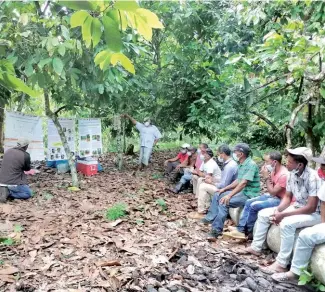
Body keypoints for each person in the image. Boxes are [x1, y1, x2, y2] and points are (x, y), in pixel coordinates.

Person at [241, 147, 322, 275]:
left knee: (287, 223)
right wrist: (278, 211)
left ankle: (281, 263)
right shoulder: (292, 175)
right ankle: (256, 247)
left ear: (300, 164)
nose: (286, 164)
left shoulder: (313, 177)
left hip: (314, 213)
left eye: (289, 162)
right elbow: (288, 197)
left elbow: (311, 207)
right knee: (263, 214)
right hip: (297, 206)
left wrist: (283, 215)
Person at [224, 151, 288, 239]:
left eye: (267, 162)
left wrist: (266, 177)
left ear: (275, 162)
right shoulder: (274, 171)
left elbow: (273, 192)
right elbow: (271, 190)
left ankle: (249, 232)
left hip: (280, 200)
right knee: (249, 202)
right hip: (273, 196)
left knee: (254, 206)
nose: (265, 164)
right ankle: (240, 229)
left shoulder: (283, 175)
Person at [203, 143, 260, 240]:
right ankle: (211, 218)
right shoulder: (242, 164)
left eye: (235, 152)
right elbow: (238, 180)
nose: (233, 154)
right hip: (243, 192)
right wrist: (224, 189)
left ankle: (216, 230)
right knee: (219, 194)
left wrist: (229, 196)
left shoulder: (251, 165)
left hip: (249, 194)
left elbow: (243, 183)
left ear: (241, 154)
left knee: (224, 202)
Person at [271, 183, 325, 284]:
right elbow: (324, 203)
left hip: (312, 213)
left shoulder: (312, 177)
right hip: (309, 212)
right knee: (306, 235)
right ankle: (295, 274)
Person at [189, 144, 238, 219]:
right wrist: (213, 180)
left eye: (219, 154)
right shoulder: (230, 164)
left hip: (227, 191)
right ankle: (207, 207)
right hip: (227, 187)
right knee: (203, 183)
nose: (218, 157)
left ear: (223, 154)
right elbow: (224, 179)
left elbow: (223, 185)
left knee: (203, 186)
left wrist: (211, 182)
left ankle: (201, 211)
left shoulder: (229, 166)